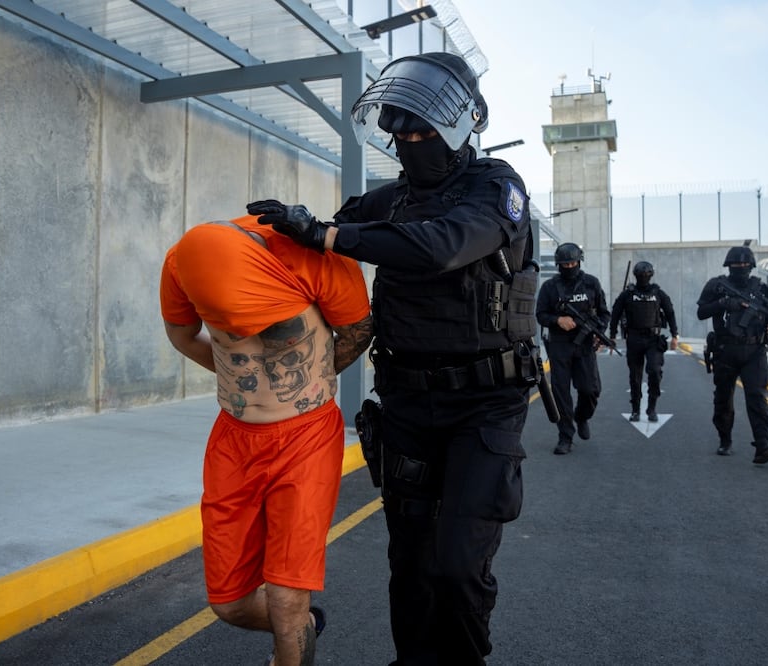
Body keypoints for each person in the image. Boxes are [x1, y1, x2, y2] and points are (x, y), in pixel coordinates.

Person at [248, 52, 539, 666]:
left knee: (458, 563)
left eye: (423, 132)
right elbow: (323, 235)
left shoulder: (497, 187)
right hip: (407, 403)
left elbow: (443, 245)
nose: (410, 143)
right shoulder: (392, 199)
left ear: (462, 124)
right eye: (400, 132)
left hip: (483, 406)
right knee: (409, 560)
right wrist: (267, 239)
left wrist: (329, 235)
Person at [159, 215, 372, 665]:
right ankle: (301, 629)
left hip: (306, 438)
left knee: (286, 596)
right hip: (234, 442)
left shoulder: (314, 256)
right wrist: (239, 378)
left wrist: (315, 377)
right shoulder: (181, 264)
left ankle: (292, 634)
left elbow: (358, 330)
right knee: (228, 603)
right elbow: (180, 332)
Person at [696, 245, 768, 463]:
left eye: (744, 264)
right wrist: (725, 303)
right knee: (724, 399)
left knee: (757, 397)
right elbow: (701, 312)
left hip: (754, 351)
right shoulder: (716, 286)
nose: (741, 267)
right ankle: (725, 440)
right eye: (736, 264)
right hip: (726, 350)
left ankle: (762, 446)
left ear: (751, 266)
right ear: (728, 266)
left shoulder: (761, 289)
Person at [535, 242, 611, 455]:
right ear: (559, 265)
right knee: (561, 392)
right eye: (565, 264)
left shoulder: (591, 284)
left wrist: (599, 332)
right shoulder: (550, 287)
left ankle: (582, 416)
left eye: (573, 262)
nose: (569, 266)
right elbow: (540, 314)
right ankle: (565, 437)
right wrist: (558, 320)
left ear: (579, 261)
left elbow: (604, 314)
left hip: (585, 344)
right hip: (559, 345)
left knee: (590, 389)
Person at [609, 261, 680, 422]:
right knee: (635, 377)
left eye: (646, 275)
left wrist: (675, 335)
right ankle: (635, 410)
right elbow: (615, 314)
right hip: (633, 338)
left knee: (655, 372)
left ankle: (652, 408)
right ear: (635, 276)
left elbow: (670, 312)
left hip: (653, 339)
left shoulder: (658, 293)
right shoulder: (627, 294)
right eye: (641, 276)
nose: (643, 278)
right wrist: (612, 336)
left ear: (651, 275)